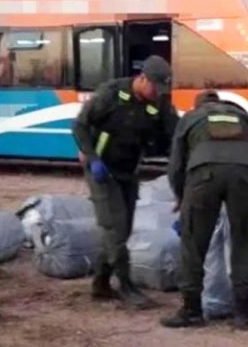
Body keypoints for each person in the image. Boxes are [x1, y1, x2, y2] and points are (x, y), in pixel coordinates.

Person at [72, 55, 180, 309]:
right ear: (142, 78)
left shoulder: (160, 103)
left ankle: (100, 283)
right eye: (155, 87)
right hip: (102, 170)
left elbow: (175, 135)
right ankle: (127, 287)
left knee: (123, 229)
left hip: (128, 171)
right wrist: (91, 156)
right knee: (116, 229)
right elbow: (79, 126)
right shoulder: (110, 94)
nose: (158, 94)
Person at [160, 90, 248, 330]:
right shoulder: (242, 115)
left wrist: (180, 195)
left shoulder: (191, 117)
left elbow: (176, 163)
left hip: (204, 175)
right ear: (219, 103)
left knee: (194, 243)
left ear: (198, 105)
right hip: (244, 174)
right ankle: (242, 314)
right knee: (243, 241)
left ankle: (192, 311)